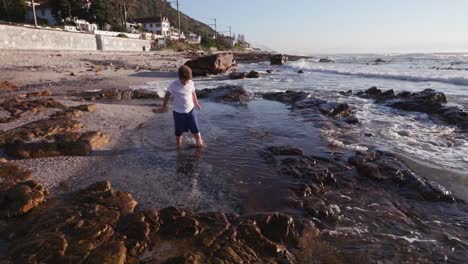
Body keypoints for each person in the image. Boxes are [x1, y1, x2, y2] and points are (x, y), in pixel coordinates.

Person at [161, 65, 204, 148]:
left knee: (195, 129)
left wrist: (197, 103)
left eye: (187, 80)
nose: (186, 83)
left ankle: (199, 144)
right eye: (184, 81)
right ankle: (179, 147)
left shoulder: (191, 82)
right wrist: (164, 106)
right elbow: (167, 95)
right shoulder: (173, 85)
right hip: (178, 112)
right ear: (179, 77)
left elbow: (193, 93)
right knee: (178, 132)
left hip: (191, 110)